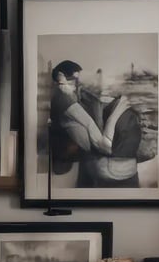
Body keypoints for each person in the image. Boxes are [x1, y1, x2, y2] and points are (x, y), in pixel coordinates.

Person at [48, 60, 144, 188]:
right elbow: (91, 128)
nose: (77, 85)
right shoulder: (64, 98)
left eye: (78, 81)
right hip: (102, 165)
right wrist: (114, 115)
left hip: (101, 168)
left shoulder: (75, 97)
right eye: (74, 80)